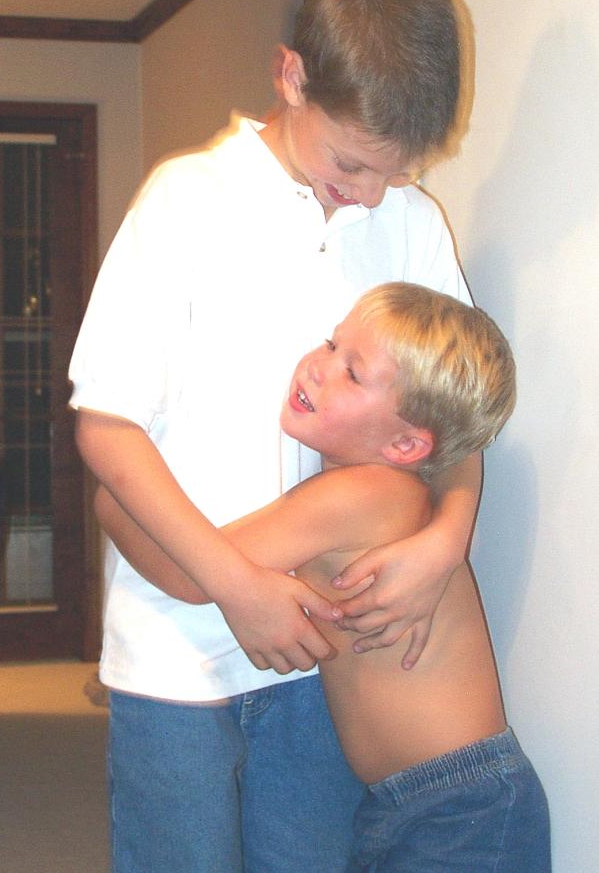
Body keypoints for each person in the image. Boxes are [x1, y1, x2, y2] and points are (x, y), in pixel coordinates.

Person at [70, 0, 481, 872]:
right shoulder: (187, 200)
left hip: (326, 656)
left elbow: (455, 425)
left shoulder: (411, 224)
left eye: (396, 172)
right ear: (290, 76)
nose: (370, 194)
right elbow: (107, 424)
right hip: (174, 656)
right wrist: (237, 587)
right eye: (351, 164)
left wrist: (445, 541)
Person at [96, 283, 551, 873]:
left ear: (406, 443)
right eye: (332, 345)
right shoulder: (373, 490)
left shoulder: (360, 495)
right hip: (416, 801)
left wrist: (112, 503)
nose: (318, 365)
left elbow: (191, 576)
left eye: (352, 373)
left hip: (459, 811)